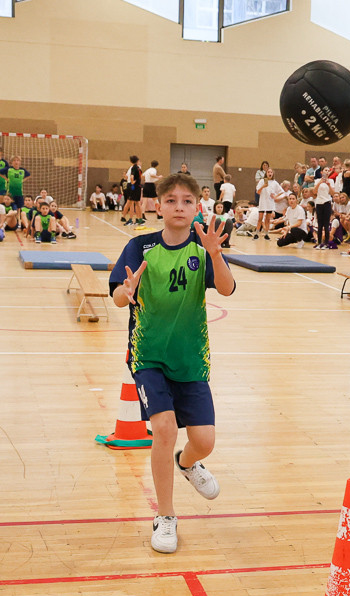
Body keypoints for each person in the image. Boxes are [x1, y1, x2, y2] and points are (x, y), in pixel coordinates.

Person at [109, 173, 235, 554]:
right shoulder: (140, 246)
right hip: (148, 356)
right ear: (158, 206)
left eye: (187, 201)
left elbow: (227, 289)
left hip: (191, 359)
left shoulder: (202, 247)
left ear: (198, 207)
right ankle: (166, 516)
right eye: (171, 200)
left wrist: (215, 253)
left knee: (204, 441)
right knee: (163, 428)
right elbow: (117, 294)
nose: (179, 207)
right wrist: (124, 292)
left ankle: (187, 463)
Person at [122, 155, 144, 227]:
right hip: (138, 186)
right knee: (137, 203)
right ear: (138, 161)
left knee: (131, 202)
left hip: (133, 187)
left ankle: (130, 219)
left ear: (130, 161)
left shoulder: (133, 168)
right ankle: (140, 219)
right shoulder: (139, 168)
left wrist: (132, 182)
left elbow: (131, 177)